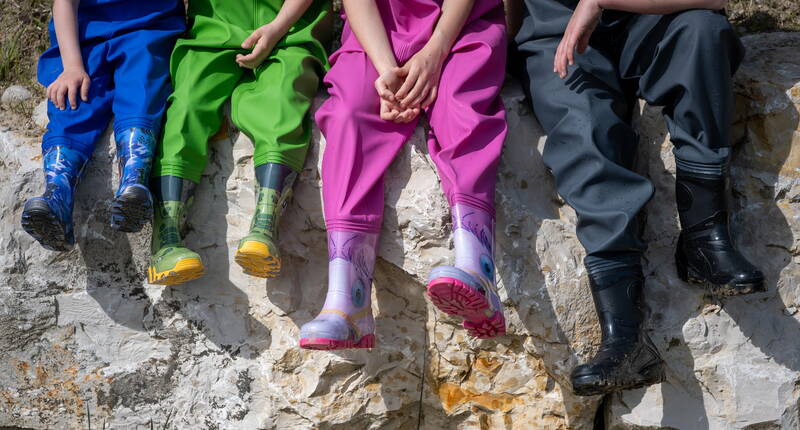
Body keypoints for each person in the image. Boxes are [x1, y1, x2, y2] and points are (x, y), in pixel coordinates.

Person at [512, 0, 764, 396]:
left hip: (661, 11)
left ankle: (705, 238)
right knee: (584, 130)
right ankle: (624, 340)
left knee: (702, 33)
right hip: (556, 29)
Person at [300, 0, 509, 350]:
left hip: (460, 27)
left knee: (460, 105)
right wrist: (386, 72)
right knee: (348, 113)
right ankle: (348, 302)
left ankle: (478, 270)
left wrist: (434, 53)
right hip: (378, 32)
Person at [146, 0, 330, 285]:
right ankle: (167, 234)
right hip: (214, 28)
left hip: (292, 30)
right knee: (186, 106)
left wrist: (277, 27)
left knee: (282, 100)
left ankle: (265, 225)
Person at [21, 0, 185, 251]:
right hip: (84, 33)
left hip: (149, 26)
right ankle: (57, 195)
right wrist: (73, 66)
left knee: (141, 87)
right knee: (73, 99)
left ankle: (133, 182)